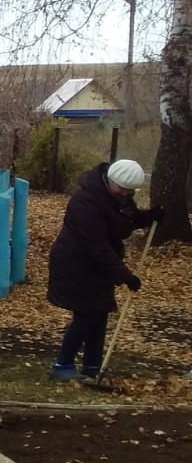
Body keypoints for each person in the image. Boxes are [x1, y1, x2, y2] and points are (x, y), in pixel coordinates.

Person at [46, 158, 165, 382]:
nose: (126, 194)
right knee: (85, 315)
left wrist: (149, 217)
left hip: (98, 266)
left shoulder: (118, 198)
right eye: (122, 189)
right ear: (110, 180)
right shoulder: (85, 202)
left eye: (130, 191)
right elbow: (97, 246)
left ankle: (92, 366)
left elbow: (124, 222)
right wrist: (125, 276)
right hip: (76, 264)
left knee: (99, 314)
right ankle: (62, 364)